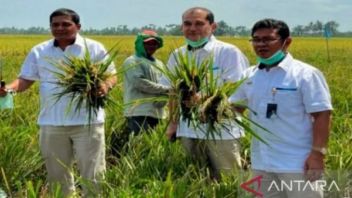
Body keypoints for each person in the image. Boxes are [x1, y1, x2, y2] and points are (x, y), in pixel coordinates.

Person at [0, 8, 117, 196]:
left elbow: (111, 76)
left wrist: (104, 87)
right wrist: (8, 89)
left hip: (87, 122)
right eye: (55, 25)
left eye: (66, 24)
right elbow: (25, 79)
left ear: (78, 26)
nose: (60, 28)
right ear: (50, 27)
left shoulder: (93, 48)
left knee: (93, 175)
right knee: (57, 176)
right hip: (51, 123)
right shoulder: (39, 51)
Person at [230, 18, 332, 197]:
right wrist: (204, 105)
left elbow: (322, 115)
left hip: (297, 162)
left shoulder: (305, 74)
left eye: (268, 39)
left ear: (287, 42)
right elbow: (234, 108)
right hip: (262, 162)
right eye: (256, 39)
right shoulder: (249, 75)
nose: (261, 44)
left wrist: (317, 155)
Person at [163, 7, 249, 180]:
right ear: (182, 27)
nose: (192, 28)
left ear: (213, 26)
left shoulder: (228, 52)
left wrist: (205, 99)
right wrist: (173, 123)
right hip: (188, 130)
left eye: (199, 23)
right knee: (196, 177)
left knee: (228, 178)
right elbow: (172, 93)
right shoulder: (177, 55)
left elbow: (238, 90)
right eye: (187, 24)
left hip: (222, 129)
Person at [123, 30, 169, 134]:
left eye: (154, 44)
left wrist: (166, 96)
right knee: (140, 145)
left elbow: (166, 83)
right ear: (140, 44)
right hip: (138, 112)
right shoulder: (132, 61)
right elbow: (140, 83)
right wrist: (167, 90)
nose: (151, 46)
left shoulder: (160, 64)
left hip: (158, 112)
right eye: (147, 43)